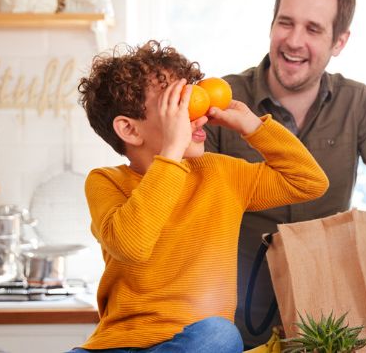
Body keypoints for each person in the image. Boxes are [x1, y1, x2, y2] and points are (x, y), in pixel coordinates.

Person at [203, 0, 366, 347]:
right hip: (231, 319)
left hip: (326, 324)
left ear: (339, 42)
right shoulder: (223, 100)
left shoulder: (357, 104)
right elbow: (188, 212)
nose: (294, 40)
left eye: (313, 29)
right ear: (271, 25)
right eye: (286, 22)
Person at [73, 40, 329, 352]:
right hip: (118, 346)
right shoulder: (106, 181)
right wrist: (172, 151)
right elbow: (132, 244)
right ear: (129, 129)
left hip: (199, 342)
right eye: (177, 105)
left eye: (194, 96)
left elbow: (308, 181)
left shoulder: (220, 174)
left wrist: (253, 127)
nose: (198, 114)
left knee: (220, 334)